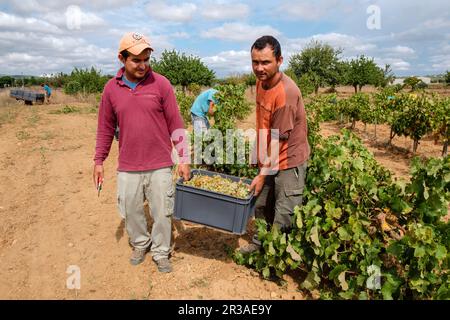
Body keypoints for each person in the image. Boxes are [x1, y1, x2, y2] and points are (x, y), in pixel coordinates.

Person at [92, 32, 190, 272]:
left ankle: (161, 251)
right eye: (136, 60)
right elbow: (105, 128)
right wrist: (99, 160)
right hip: (128, 165)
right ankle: (140, 243)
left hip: (159, 163)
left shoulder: (161, 84)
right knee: (131, 210)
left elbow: (175, 123)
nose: (143, 65)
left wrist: (184, 157)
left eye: (146, 59)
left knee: (162, 212)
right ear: (122, 59)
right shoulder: (111, 89)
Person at [240, 35, 310, 253]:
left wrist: (262, 175)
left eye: (266, 62)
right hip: (270, 153)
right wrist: (256, 153)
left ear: (279, 60)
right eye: (255, 62)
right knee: (261, 204)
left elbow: (280, 139)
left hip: (288, 159)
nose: (259, 68)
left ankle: (278, 255)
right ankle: (260, 245)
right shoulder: (261, 83)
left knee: (284, 210)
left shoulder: (286, 93)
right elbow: (262, 121)